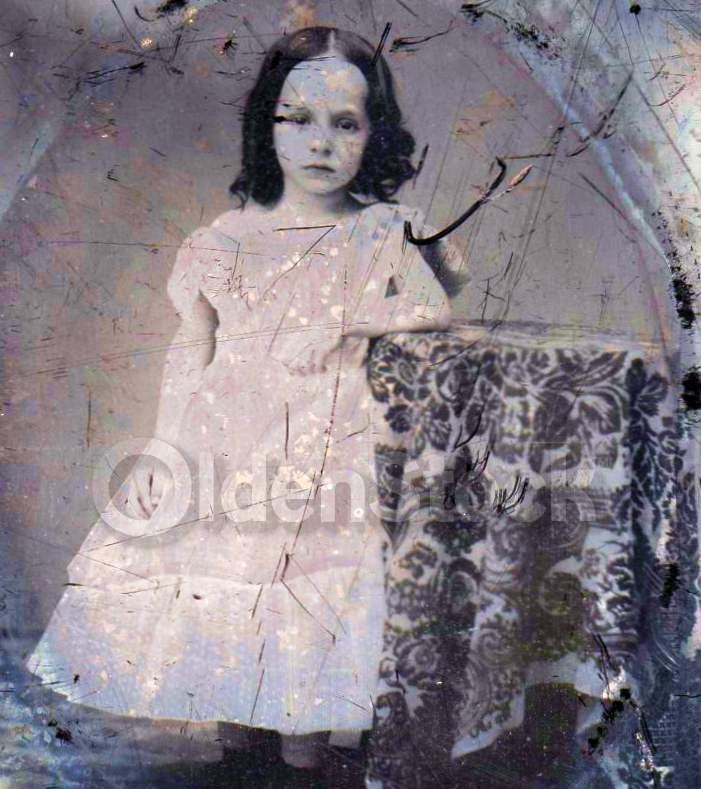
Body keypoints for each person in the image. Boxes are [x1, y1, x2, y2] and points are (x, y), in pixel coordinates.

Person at [26, 26, 462, 773]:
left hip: (326, 442)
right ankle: (238, 756)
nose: (320, 142)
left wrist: (348, 321)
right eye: (298, 118)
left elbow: (431, 306)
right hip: (226, 438)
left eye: (345, 124)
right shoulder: (223, 238)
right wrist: (163, 446)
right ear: (267, 124)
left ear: (373, 135)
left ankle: (304, 761)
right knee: (224, 596)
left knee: (305, 601)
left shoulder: (378, 231)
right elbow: (189, 346)